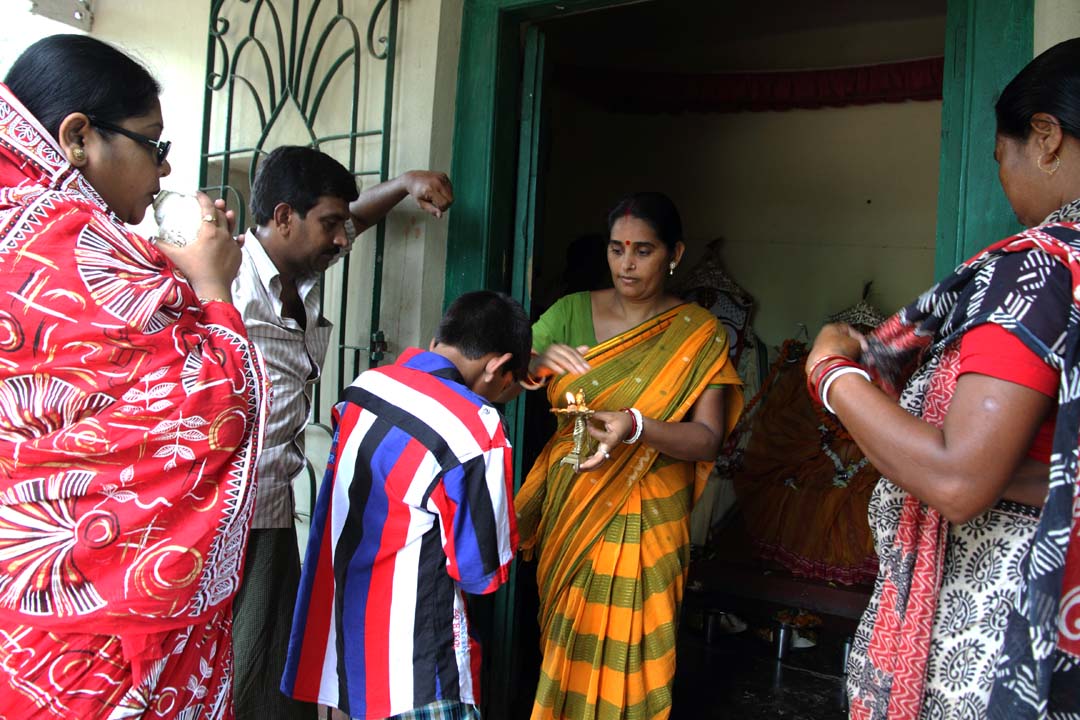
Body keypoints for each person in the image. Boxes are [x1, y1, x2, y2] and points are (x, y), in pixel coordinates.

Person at [806, 38, 1080, 720]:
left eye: (1000, 159)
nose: (1005, 184)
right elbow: (1058, 467)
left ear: (1044, 137)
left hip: (1000, 625)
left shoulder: (1040, 270)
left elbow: (959, 480)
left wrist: (833, 375)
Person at [0, 34, 268, 719]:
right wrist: (211, 289)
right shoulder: (77, 248)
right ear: (77, 137)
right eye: (153, 143)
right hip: (95, 637)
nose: (164, 168)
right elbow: (208, 414)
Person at [229, 145, 454, 720]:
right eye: (329, 225)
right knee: (226, 665)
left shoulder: (299, 278)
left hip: (272, 503)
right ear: (282, 217)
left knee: (272, 663)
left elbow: (354, 216)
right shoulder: (224, 279)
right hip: (219, 512)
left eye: (342, 226)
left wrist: (403, 185)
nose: (342, 240)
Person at [516, 192, 744, 720]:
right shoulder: (570, 311)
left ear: (675, 254)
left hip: (650, 510)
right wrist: (537, 354)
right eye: (618, 249)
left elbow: (708, 438)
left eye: (643, 250)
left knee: (637, 650)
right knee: (569, 634)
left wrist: (637, 427)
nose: (627, 263)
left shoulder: (698, 333)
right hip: (574, 501)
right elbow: (501, 369)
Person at [279, 290, 530, 720]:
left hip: (338, 653)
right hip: (413, 671)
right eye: (512, 382)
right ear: (496, 366)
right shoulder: (477, 425)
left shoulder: (367, 387)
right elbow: (480, 573)